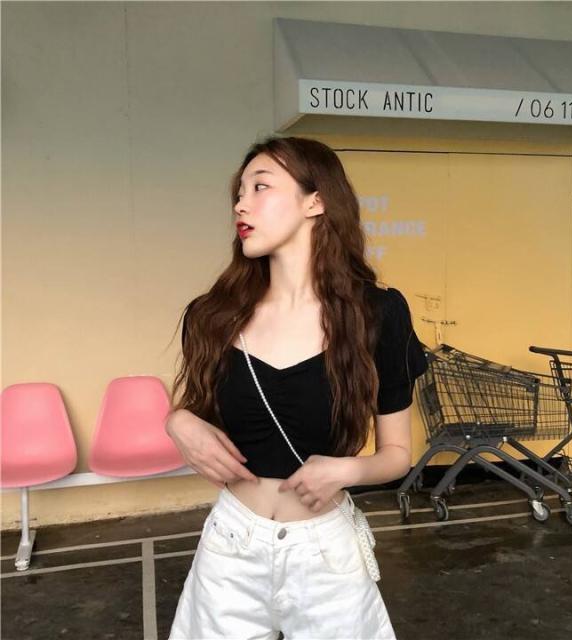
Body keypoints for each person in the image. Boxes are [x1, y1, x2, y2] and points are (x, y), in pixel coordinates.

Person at [166, 135, 427, 640]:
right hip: (230, 549)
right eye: (238, 192)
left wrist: (347, 469)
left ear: (316, 201)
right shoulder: (211, 316)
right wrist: (177, 421)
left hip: (326, 555)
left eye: (260, 187)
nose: (240, 204)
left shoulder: (379, 315)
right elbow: (199, 415)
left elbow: (398, 454)